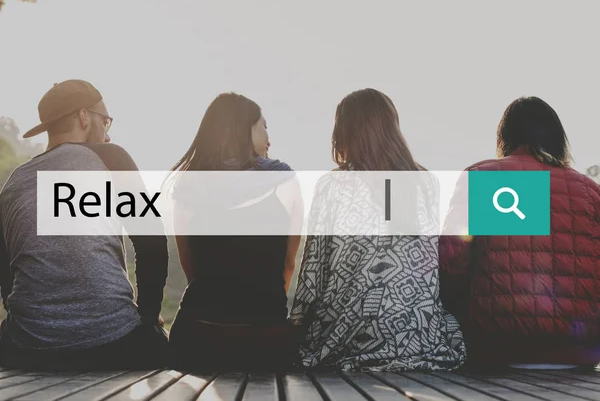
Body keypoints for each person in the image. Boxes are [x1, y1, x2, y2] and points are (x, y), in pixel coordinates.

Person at [289, 88, 467, 371]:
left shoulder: (332, 186)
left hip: (350, 334)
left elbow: (314, 271)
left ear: (345, 132)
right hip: (417, 333)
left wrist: (297, 324)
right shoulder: (426, 183)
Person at [0, 80, 169, 370]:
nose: (107, 133)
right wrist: (148, 317)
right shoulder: (112, 158)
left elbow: (5, 271)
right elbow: (153, 243)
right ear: (83, 117)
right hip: (113, 343)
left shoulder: (14, 182)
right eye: (106, 120)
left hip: (26, 347)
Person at [439, 96, 600, 368]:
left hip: (498, 347)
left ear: (506, 136)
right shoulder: (589, 190)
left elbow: (450, 263)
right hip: (578, 352)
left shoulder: (485, 177)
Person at [168, 92, 302, 371]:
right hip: (266, 338)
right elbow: (288, 264)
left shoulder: (189, 184)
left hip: (197, 335)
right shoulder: (284, 178)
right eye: (264, 126)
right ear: (245, 129)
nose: (269, 138)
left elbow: (190, 264)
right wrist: (260, 306)